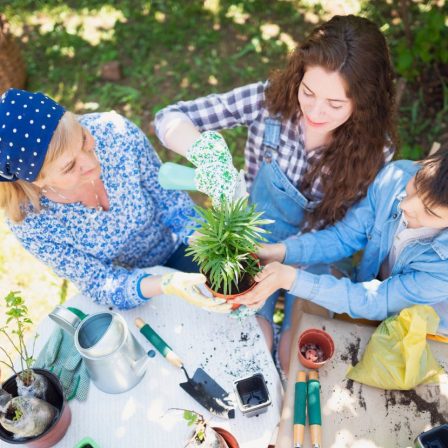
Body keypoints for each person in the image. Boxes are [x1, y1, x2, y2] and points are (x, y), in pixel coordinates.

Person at [153, 15, 397, 371]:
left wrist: (287, 258)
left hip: (318, 255)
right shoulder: (270, 101)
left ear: (364, 101)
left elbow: (348, 235)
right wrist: (203, 152)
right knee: (252, 344)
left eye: (335, 104)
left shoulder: (377, 150)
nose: (315, 111)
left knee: (295, 355)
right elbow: (168, 118)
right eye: (308, 92)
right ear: (299, 75)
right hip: (254, 244)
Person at [0, 88, 231, 313]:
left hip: (178, 245)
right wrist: (166, 284)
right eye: (69, 166)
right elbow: (99, 282)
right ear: (37, 180)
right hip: (132, 290)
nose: (91, 163)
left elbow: (172, 203)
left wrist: (208, 244)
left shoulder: (113, 132)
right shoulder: (30, 222)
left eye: (83, 139)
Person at [233, 150, 448, 337]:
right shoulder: (395, 178)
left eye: (429, 212)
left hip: (420, 334)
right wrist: (280, 252)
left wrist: (291, 278)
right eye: (416, 185)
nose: (405, 205)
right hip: (365, 292)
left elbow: (377, 302)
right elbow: (345, 236)